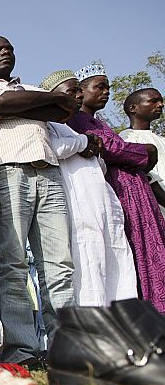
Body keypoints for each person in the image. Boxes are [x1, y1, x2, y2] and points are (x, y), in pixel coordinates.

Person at [0, 36, 77, 367]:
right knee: (12, 264)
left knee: (59, 265)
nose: (4, 53)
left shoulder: (25, 87)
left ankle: (64, 348)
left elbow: (64, 112)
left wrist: (31, 101)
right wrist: (48, 99)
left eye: (9, 49)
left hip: (49, 174)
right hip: (9, 172)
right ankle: (22, 351)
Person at [67, 65, 165, 313]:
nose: (106, 92)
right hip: (124, 191)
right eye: (99, 87)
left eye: (108, 87)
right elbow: (111, 148)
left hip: (135, 189)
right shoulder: (78, 119)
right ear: (81, 91)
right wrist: (145, 152)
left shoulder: (100, 122)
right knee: (139, 251)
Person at [40, 70, 137, 306]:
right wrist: (84, 142)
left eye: (79, 91)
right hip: (79, 206)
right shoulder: (47, 124)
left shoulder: (72, 128)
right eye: (71, 91)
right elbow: (52, 148)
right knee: (88, 265)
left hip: (102, 205)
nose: (79, 96)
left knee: (116, 263)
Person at [119, 88, 165, 218]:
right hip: (155, 211)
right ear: (133, 108)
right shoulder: (127, 139)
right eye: (153, 101)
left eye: (161, 101)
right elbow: (147, 176)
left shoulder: (161, 140)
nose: (160, 105)